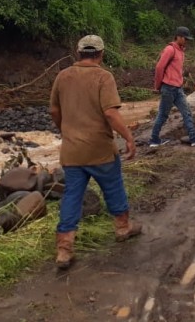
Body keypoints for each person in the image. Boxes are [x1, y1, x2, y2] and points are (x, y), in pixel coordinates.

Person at [49, 34, 142, 270]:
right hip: (100, 149)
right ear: (101, 54)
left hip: (72, 152)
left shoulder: (63, 76)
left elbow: (54, 111)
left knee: (72, 196)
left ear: (78, 52)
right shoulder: (103, 77)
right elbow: (110, 113)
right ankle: (122, 227)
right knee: (113, 187)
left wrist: (66, 130)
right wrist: (128, 137)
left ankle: (64, 248)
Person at [149, 27, 195, 148]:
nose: (186, 41)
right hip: (168, 87)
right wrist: (158, 85)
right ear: (178, 37)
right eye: (185, 38)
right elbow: (159, 68)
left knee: (186, 111)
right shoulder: (170, 49)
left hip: (177, 88)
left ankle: (193, 137)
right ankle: (154, 139)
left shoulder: (180, 51)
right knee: (163, 114)